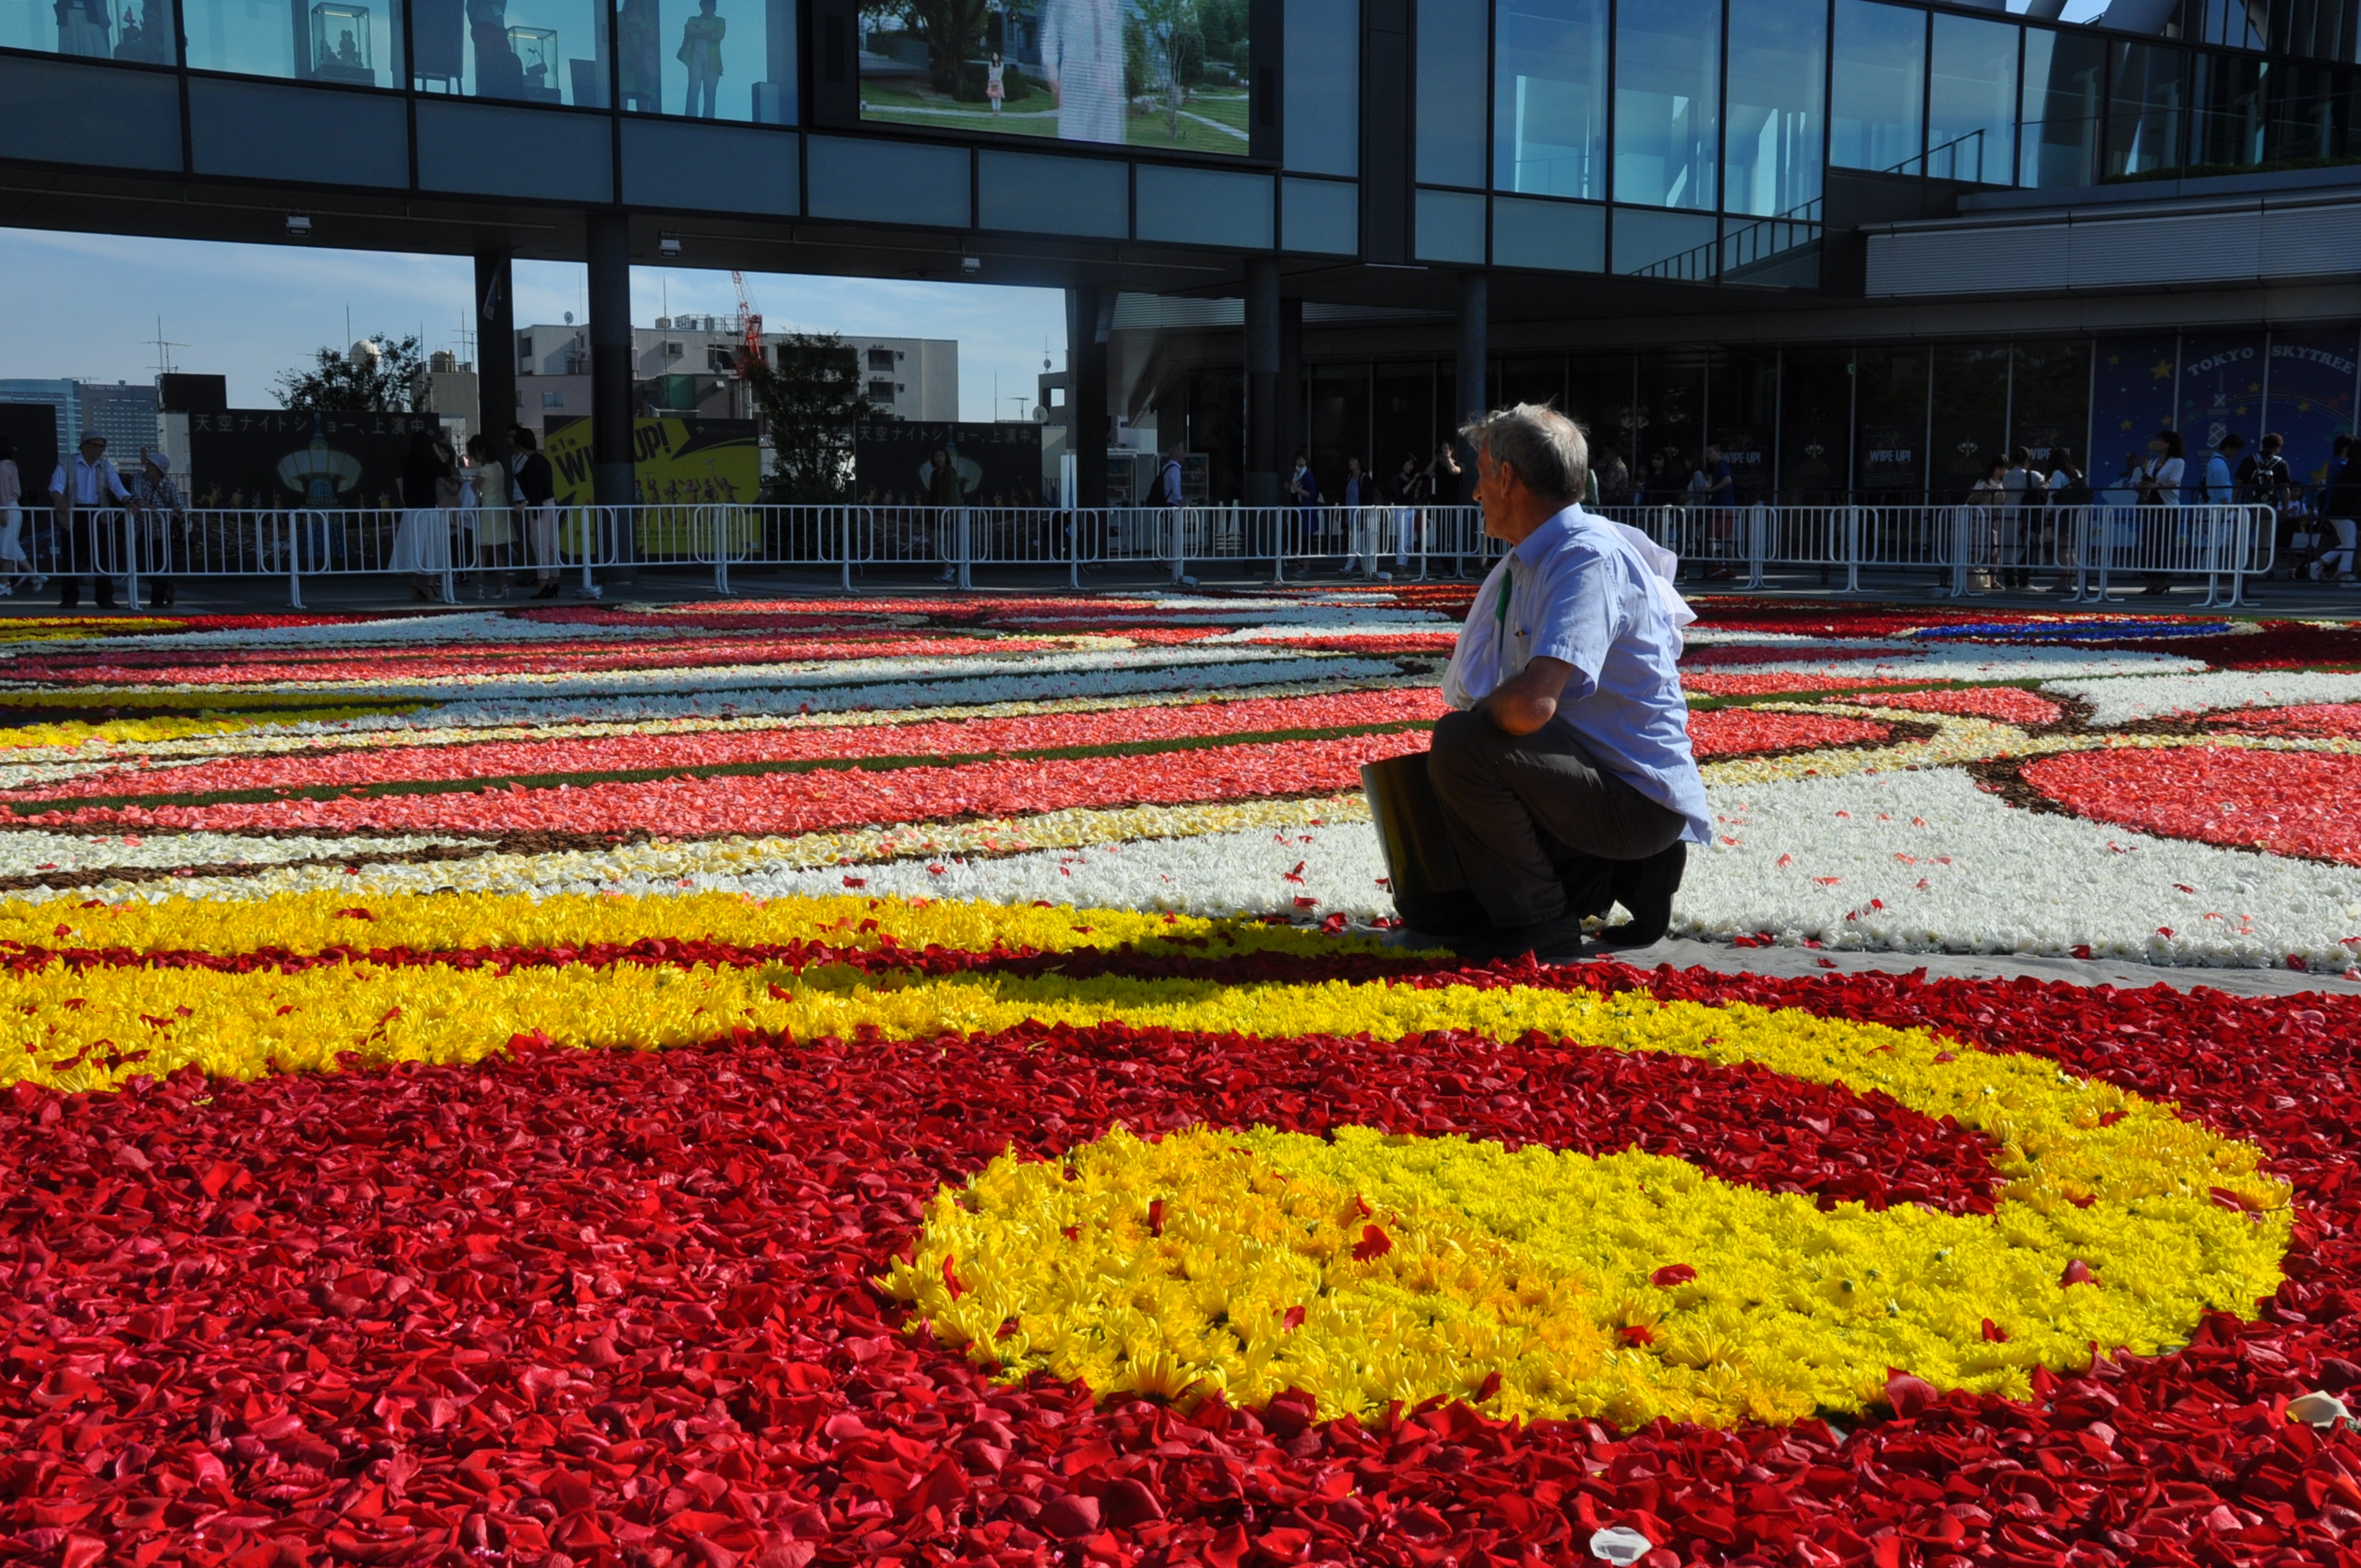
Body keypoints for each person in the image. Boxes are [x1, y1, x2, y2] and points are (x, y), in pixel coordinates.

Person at [1392, 404, 1707, 961]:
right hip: (1592, 783)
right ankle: (1627, 875)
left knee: (1463, 745)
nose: (1475, 494)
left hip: (1633, 801)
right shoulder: (1541, 557)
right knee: (1433, 905)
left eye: (1481, 475)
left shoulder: (1584, 558)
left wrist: (1471, 731)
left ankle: (1539, 922)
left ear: (1507, 478)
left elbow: (1531, 707)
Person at [48, 432, 131, 609]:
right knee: (71, 557)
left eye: (102, 446)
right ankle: (69, 597)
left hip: (98, 514)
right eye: (96, 445)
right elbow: (57, 485)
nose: (100, 450)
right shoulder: (67, 462)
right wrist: (59, 500)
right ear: (84, 445)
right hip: (73, 512)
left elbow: (117, 487)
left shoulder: (105, 466)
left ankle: (105, 598)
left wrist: (129, 501)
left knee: (102, 557)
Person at [1038, 0, 1123, 145]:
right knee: (1074, 137)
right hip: (1076, 76)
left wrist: (1116, 79)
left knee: (1108, 141)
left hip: (1108, 78)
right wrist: (1053, 78)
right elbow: (1050, 37)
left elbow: (1116, 40)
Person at [390, 428, 453, 600]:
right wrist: (438, 455)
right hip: (427, 510)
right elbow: (446, 472)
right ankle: (430, 587)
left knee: (414, 549)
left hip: (411, 511)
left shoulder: (406, 462)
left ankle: (415, 585)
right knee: (431, 549)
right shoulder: (429, 463)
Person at [128, 450, 186, 606]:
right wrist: (145, 506)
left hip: (161, 530)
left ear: (160, 470)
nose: (147, 466)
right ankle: (166, 588)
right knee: (141, 563)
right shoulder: (139, 478)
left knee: (160, 565)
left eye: (151, 465)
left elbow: (179, 504)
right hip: (140, 528)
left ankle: (158, 600)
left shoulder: (168, 484)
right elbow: (137, 495)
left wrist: (177, 508)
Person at [2132, 429, 2186, 595]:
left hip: (2167, 507)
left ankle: (2163, 580)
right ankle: (2151, 580)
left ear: (2167, 444)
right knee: (2150, 543)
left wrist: (2158, 486)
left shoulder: (2177, 462)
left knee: (2164, 543)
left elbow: (2175, 481)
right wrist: (2142, 485)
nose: (2155, 443)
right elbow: (2149, 479)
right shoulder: (2154, 462)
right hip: (2152, 505)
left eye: (2159, 440)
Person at [510, 425, 560, 598]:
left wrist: (529, 505)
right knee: (552, 545)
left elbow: (534, 490)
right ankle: (554, 581)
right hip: (550, 503)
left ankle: (542, 583)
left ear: (520, 445)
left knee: (540, 544)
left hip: (539, 506)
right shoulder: (543, 460)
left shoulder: (530, 463)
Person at [465, 432, 513, 598]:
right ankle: (503, 585)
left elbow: (473, 488)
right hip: (501, 506)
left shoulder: (483, 470)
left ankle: (480, 587)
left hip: (488, 509)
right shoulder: (499, 465)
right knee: (498, 550)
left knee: (483, 550)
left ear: (481, 452)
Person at [2000, 446, 2047, 589]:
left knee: (2007, 548)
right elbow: (2046, 489)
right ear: (2027, 460)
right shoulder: (2033, 476)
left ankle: (2009, 581)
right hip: (2025, 516)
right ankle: (2024, 581)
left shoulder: (2006, 476)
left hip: (2007, 514)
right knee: (2026, 546)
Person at [677, 0, 724, 118]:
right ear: (701, 6)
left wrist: (697, 33)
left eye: (710, 5)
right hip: (694, 59)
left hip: (712, 62)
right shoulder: (693, 20)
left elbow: (718, 36)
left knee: (710, 93)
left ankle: (709, 121)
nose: (707, 7)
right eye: (705, 4)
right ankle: (690, 118)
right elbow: (689, 31)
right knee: (693, 89)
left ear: (714, 7)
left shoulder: (720, 21)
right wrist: (708, 31)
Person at [0, 436, 24, 596]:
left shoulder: (2, 467)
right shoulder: (10, 466)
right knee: (9, 545)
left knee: (6, 547)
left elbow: (3, 491)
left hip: (7, 507)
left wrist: (3, 511)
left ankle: (3, 584)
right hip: (12, 507)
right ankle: (34, 575)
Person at [1390, 454, 1421, 576]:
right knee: (1402, 540)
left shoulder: (1410, 478)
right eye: (1409, 464)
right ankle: (1401, 568)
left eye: (1412, 465)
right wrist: (1413, 481)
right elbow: (1399, 495)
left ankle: (1405, 567)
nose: (1411, 467)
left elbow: (1413, 496)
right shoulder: (1396, 478)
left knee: (1408, 541)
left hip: (1410, 509)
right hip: (1401, 510)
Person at [1285, 451, 1319, 562]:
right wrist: (1289, 486)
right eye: (1298, 459)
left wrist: (1297, 489)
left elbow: (1312, 494)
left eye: (1303, 459)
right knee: (1295, 538)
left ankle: (1305, 568)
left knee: (1305, 540)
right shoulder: (1295, 475)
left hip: (1305, 512)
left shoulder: (1308, 475)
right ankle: (1299, 564)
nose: (1301, 462)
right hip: (1295, 512)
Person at [986, 50, 1005, 114]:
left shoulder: (1001, 64)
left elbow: (1001, 73)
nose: (995, 57)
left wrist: (997, 80)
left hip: (999, 82)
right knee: (993, 96)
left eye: (996, 55)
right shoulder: (991, 64)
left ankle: (998, 109)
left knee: (998, 96)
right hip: (992, 82)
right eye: (994, 56)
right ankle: (994, 109)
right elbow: (990, 72)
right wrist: (993, 80)